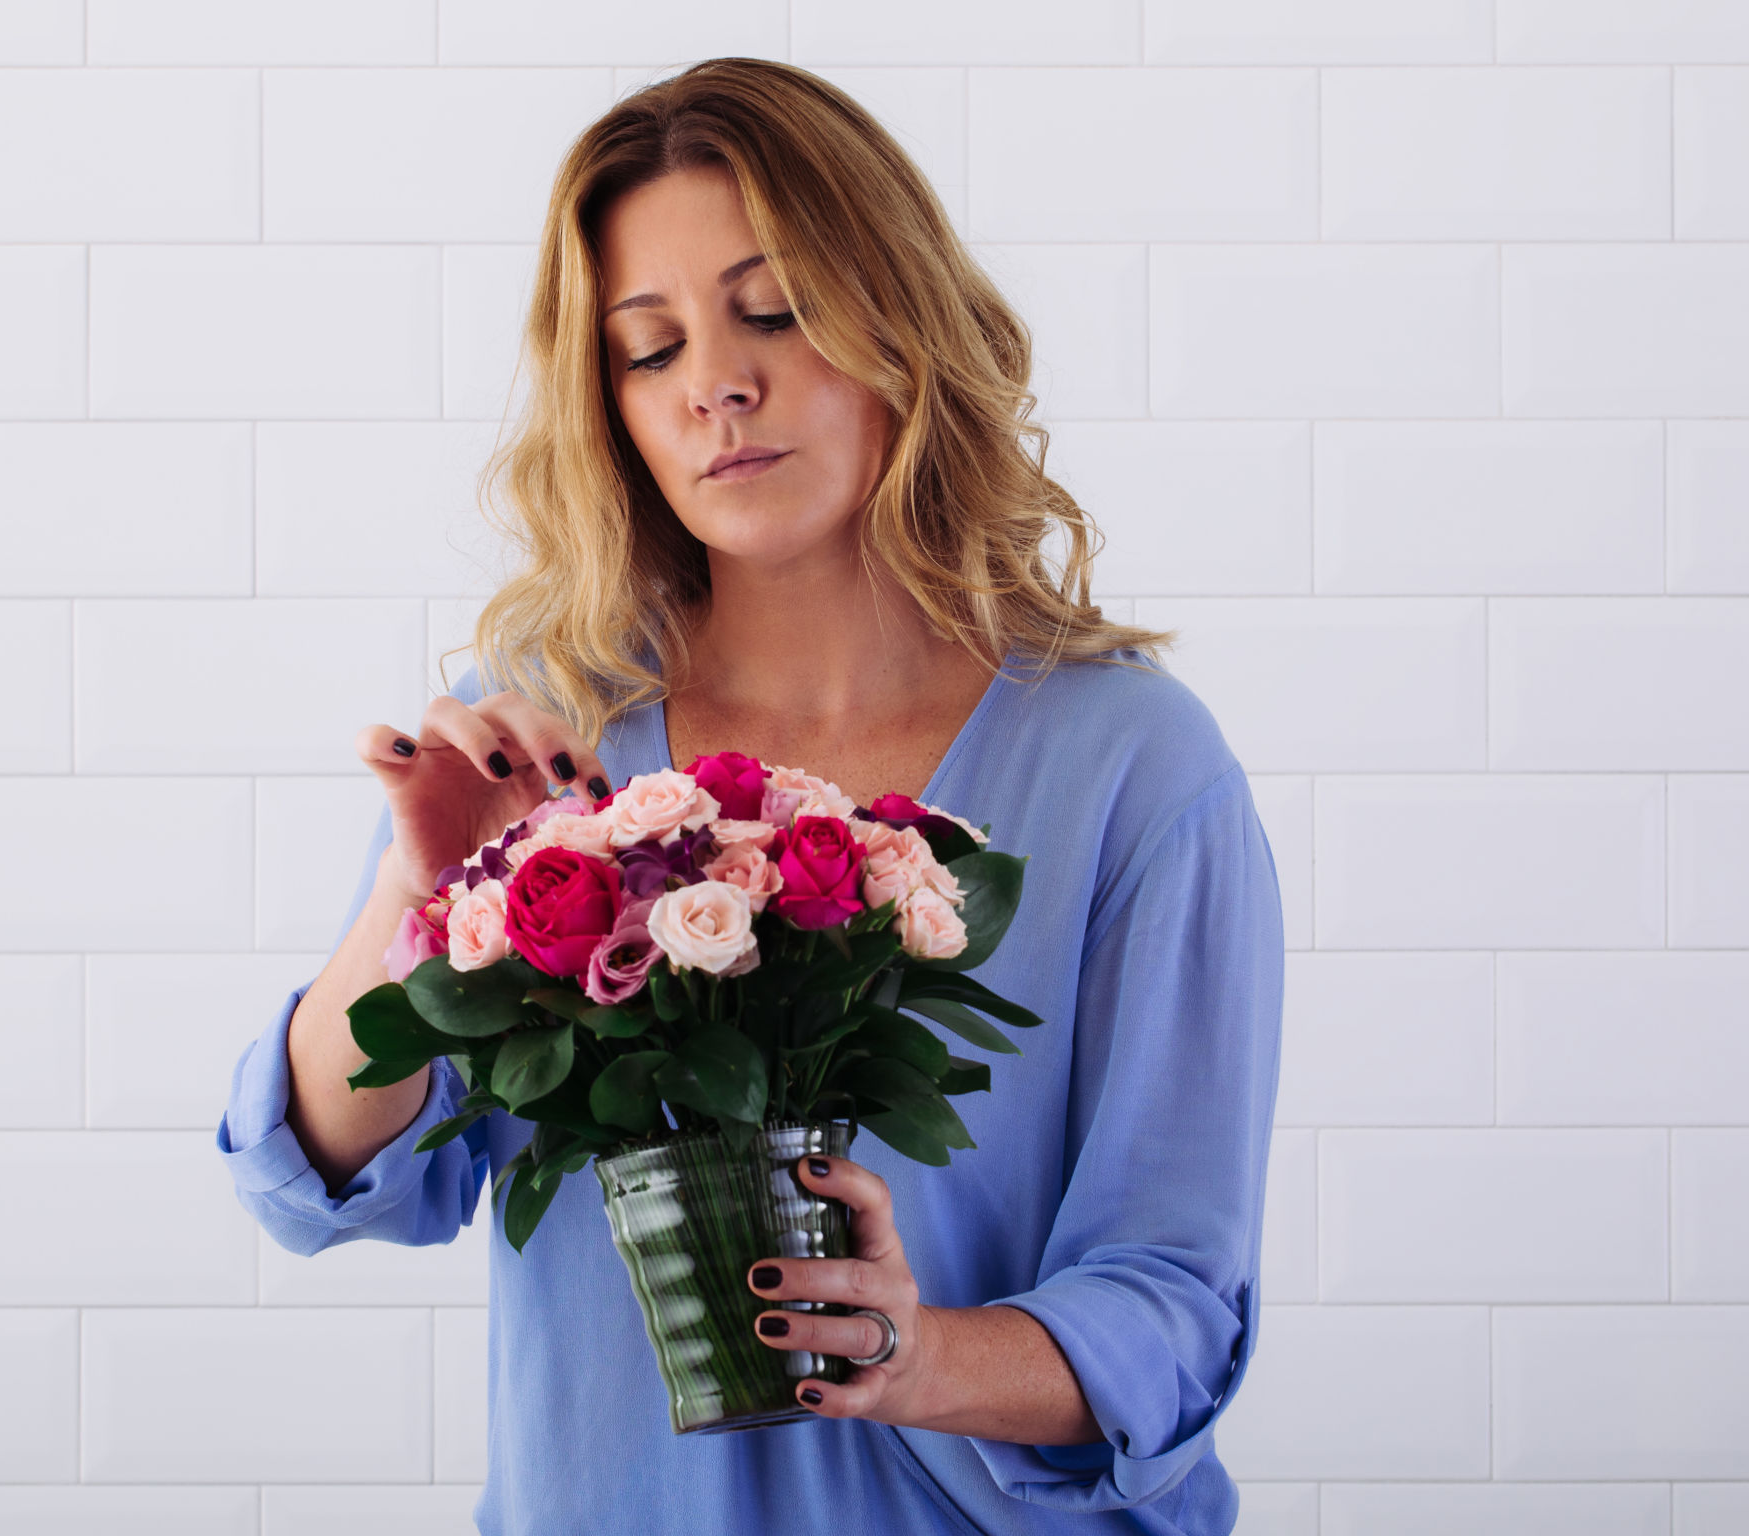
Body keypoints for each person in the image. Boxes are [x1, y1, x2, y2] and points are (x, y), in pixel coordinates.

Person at [216, 57, 1283, 1536]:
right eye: (649, 350)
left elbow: (1174, 1308)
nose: (716, 380)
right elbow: (325, 1177)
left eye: (772, 311)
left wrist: (914, 1359)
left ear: (898, 322)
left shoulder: (1131, 768)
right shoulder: (554, 730)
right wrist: (419, 896)